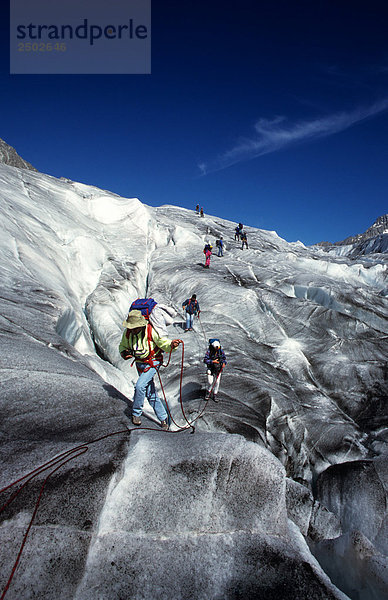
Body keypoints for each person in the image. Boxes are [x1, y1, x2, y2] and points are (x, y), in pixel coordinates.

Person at [119, 310, 181, 429]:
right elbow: (123, 345)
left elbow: (163, 343)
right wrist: (124, 352)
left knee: (140, 386)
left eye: (134, 327)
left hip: (153, 362)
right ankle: (163, 418)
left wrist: (172, 345)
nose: (132, 329)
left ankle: (136, 413)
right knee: (149, 392)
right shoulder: (128, 333)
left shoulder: (150, 331)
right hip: (139, 363)